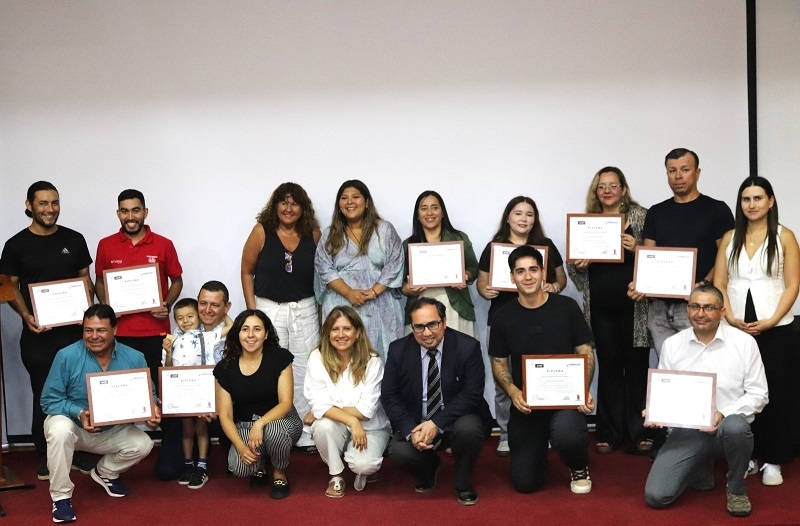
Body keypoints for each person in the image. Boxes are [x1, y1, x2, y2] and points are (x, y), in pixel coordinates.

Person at [644, 285, 768, 517]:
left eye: (709, 307)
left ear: (722, 312)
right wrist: (655, 412)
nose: (701, 313)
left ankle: (736, 489)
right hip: (687, 432)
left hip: (727, 430)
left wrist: (722, 413)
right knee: (656, 496)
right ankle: (702, 467)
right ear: (688, 310)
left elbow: (759, 394)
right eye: (695, 306)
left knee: (736, 425)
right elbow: (666, 392)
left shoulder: (744, 343)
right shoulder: (673, 344)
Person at [0, 181, 96, 479]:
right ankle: (46, 455)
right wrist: (27, 315)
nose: (49, 209)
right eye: (43, 203)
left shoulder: (74, 239)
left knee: (79, 392)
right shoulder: (15, 245)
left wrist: (88, 314)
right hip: (38, 336)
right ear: (29, 205)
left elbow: (86, 280)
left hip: (75, 335)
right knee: (45, 393)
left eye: (54, 203)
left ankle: (79, 453)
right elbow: (6, 287)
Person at [713, 176, 799, 486]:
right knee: (741, 392)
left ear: (771, 201)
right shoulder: (729, 237)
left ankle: (774, 459)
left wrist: (773, 319)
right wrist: (731, 318)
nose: (752, 205)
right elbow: (720, 283)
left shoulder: (785, 236)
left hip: (776, 326)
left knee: (775, 393)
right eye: (746, 199)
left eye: (758, 198)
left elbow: (792, 285)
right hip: (736, 324)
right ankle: (747, 457)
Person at [41, 304, 161, 523]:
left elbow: (149, 393)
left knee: (144, 443)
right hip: (74, 427)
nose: (94, 336)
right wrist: (78, 412)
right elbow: (49, 400)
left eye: (101, 330)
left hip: (111, 430)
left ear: (115, 329)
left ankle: (106, 471)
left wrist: (152, 409)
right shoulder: (66, 356)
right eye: (88, 330)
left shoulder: (135, 357)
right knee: (58, 430)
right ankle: (61, 497)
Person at [490, 245, 595, 494]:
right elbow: (498, 363)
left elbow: (586, 352)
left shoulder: (567, 307)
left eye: (533, 270)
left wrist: (584, 390)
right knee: (525, 483)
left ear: (543, 272)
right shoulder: (502, 317)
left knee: (568, 433)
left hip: (565, 402)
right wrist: (514, 392)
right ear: (511, 277)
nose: (528, 277)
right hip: (527, 405)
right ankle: (538, 451)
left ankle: (578, 463)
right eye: (520, 271)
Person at [566, 167, 652, 454]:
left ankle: (640, 431)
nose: (607, 191)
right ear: (596, 191)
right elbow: (575, 274)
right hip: (600, 308)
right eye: (601, 186)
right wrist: (577, 266)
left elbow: (658, 260)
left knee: (638, 368)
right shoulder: (586, 223)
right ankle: (609, 432)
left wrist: (637, 247)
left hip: (635, 307)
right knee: (610, 368)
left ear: (623, 189)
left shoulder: (642, 217)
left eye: (613, 185)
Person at [476, 196, 567, 456]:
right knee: (503, 380)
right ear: (508, 217)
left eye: (529, 214)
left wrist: (555, 287)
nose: (523, 219)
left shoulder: (546, 246)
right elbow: (481, 283)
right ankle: (505, 433)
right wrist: (486, 291)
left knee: (542, 377)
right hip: (503, 322)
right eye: (518, 213)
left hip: (541, 321)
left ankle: (543, 431)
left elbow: (561, 277)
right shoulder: (494, 247)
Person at [381, 297, 492, 506]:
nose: (427, 333)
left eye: (433, 324)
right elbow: (389, 395)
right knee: (399, 451)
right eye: (419, 327)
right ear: (412, 327)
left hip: (456, 420)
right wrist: (410, 430)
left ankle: (463, 482)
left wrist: (437, 423)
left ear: (444, 321)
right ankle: (430, 466)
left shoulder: (467, 348)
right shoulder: (398, 350)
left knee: (469, 429)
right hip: (418, 422)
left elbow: (472, 394)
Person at [241, 182, 322, 453]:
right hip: (268, 309)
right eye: (283, 202)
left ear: (303, 208)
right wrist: (253, 313)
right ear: (275, 205)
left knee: (305, 368)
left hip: (305, 308)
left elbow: (322, 276)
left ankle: (306, 432)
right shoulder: (261, 231)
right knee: (270, 368)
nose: (289, 208)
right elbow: (246, 271)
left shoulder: (314, 234)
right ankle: (273, 431)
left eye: (295, 203)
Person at [629, 149, 734, 356]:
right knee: (669, 370)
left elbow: (726, 256)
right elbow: (650, 256)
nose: (678, 176)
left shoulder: (717, 210)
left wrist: (703, 284)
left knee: (701, 368)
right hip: (659, 310)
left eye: (685, 170)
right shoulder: (656, 212)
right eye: (672, 171)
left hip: (699, 306)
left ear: (697, 172)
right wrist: (640, 284)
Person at [95, 189, 183, 389]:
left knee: (160, 387)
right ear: (118, 214)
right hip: (119, 331)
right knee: (123, 387)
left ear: (145, 212)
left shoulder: (164, 244)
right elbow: (99, 281)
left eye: (136, 210)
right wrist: (107, 307)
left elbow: (177, 280)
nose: (130, 217)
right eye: (124, 211)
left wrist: (167, 304)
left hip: (155, 330)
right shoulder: (105, 245)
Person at [214, 309, 302, 499]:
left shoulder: (280, 358)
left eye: (257, 329)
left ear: (266, 333)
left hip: (282, 420)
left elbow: (286, 403)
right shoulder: (225, 367)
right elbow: (225, 415)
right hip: (245, 425)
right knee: (238, 467)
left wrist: (260, 423)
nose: (251, 335)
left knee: (275, 432)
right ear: (237, 333)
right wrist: (240, 446)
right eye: (245, 329)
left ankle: (279, 471)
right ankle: (260, 462)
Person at [303, 306, 391, 497]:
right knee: (322, 426)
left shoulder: (372, 360)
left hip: (370, 427)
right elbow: (317, 402)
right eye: (335, 329)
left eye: (347, 329)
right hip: (337, 425)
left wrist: (326, 409)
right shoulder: (317, 357)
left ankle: (363, 469)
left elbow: (366, 410)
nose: (340, 335)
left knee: (364, 465)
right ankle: (336, 476)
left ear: (358, 333)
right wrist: (350, 419)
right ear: (327, 333)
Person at [314, 179, 404, 359]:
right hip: (341, 305)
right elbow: (323, 267)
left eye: (356, 197)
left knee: (382, 358)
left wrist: (373, 291)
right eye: (344, 198)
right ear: (339, 205)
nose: (350, 202)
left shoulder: (384, 230)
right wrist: (349, 293)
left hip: (379, 304)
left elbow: (395, 263)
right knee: (343, 361)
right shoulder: (330, 234)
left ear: (367, 202)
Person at [155, 281, 232, 481]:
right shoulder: (175, 339)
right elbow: (168, 373)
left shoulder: (231, 335)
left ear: (226, 307)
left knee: (238, 467)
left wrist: (219, 406)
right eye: (203, 304)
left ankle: (205, 462)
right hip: (186, 404)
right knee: (167, 471)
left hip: (222, 407)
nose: (207, 310)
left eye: (215, 305)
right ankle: (190, 462)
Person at [401, 190, 479, 337]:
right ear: (417, 216)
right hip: (419, 306)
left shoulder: (459, 238)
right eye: (424, 208)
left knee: (458, 354)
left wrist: (465, 276)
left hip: (456, 307)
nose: (430, 212)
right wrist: (409, 289)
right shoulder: (408, 245)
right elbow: (400, 284)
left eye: (435, 208)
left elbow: (474, 268)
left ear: (442, 212)